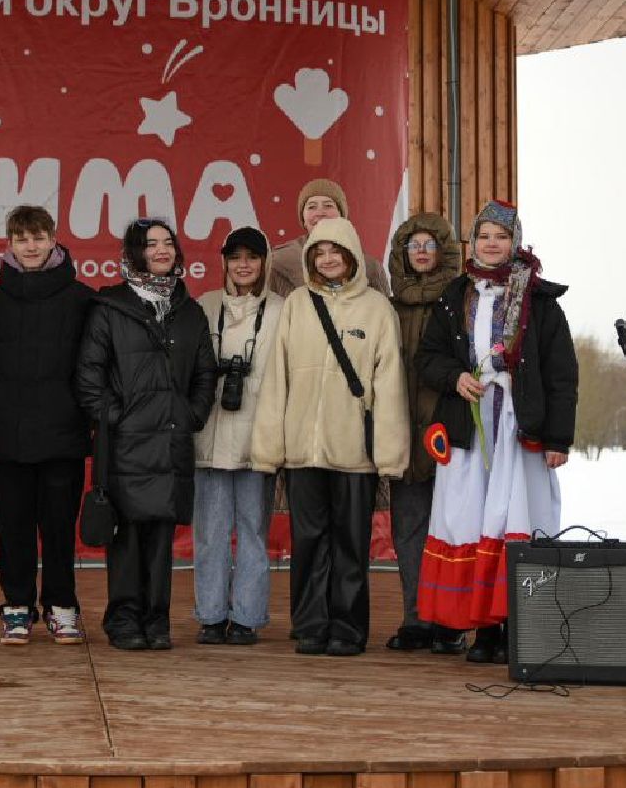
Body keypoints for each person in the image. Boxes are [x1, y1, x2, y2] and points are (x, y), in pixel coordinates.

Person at [415, 199, 578, 663]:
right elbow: (428, 357)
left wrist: (558, 439)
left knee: (514, 519)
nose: (491, 244)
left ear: (515, 242)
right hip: (469, 425)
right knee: (471, 518)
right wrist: (455, 377)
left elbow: (561, 374)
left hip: (517, 427)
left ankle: (517, 628)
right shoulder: (455, 295)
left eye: (501, 236)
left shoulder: (540, 301)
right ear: (473, 242)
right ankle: (484, 630)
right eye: (484, 235)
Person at [253, 218, 408, 656]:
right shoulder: (297, 304)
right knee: (307, 542)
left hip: (354, 452)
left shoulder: (377, 309)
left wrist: (389, 454)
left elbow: (390, 386)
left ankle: (348, 629)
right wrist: (269, 448)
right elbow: (276, 379)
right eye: (319, 252)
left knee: (351, 544)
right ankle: (310, 626)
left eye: (335, 251)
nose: (327, 259)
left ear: (352, 255)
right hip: (302, 453)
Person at [76, 218, 217, 651]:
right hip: (126, 444)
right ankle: (123, 620)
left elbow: (205, 374)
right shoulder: (110, 307)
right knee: (127, 536)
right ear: (134, 253)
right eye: (150, 243)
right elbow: (89, 377)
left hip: (171, 441)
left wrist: (191, 415)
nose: (160, 250)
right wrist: (119, 418)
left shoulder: (189, 312)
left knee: (160, 537)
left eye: (167, 242)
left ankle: (157, 621)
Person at [0, 205, 95, 645]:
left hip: (64, 435)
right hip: (9, 435)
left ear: (53, 240)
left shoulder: (83, 300)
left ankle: (62, 607)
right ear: (9, 244)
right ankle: (17, 607)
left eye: (38, 237)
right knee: (13, 527)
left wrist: (73, 409)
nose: (30, 246)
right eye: (21, 238)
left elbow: (91, 365)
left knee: (59, 528)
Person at [192, 227, 283, 646]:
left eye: (252, 257)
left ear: (264, 262)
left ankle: (246, 616)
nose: (243, 265)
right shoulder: (205, 305)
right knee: (210, 534)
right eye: (235, 257)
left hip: (257, 438)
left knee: (252, 532)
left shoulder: (281, 309)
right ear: (224, 262)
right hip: (209, 437)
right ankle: (211, 616)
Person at [382, 212, 463, 652]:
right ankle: (416, 618)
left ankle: (450, 622)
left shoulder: (461, 302)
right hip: (402, 435)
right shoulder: (388, 308)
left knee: (450, 530)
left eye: (430, 244)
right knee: (408, 529)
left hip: (448, 435)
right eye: (413, 245)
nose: (421, 252)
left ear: (444, 251)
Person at [268, 178, 391, 298]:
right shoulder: (279, 263)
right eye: (311, 207)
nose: (320, 213)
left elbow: (384, 308)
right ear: (303, 219)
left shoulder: (370, 267)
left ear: (342, 215)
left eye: (328, 206)